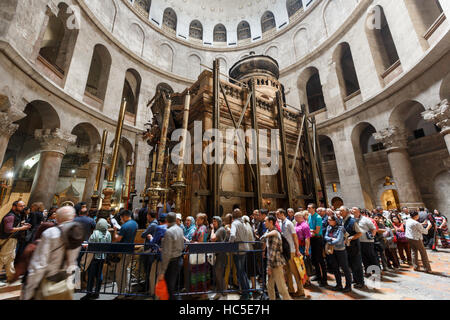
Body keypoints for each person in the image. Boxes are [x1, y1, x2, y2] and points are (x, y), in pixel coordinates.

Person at [22, 206, 82, 300]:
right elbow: (74, 262)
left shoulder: (51, 233)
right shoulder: (77, 234)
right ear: (73, 217)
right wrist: (76, 285)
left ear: (57, 218)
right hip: (66, 284)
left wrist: (29, 291)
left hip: (49, 284)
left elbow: (39, 264)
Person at [260, 215, 292, 300]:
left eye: (265, 221)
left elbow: (272, 252)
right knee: (269, 286)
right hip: (271, 263)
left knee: (281, 288)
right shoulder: (269, 231)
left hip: (276, 263)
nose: (264, 223)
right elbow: (262, 240)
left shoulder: (274, 234)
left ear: (271, 222)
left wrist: (269, 267)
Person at [81, 218, 111, 300]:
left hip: (93, 258)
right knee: (99, 275)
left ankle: (89, 293)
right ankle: (97, 292)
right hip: (102, 257)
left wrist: (85, 245)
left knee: (91, 276)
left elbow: (90, 246)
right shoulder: (108, 234)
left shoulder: (95, 233)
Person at [0, 201, 30, 283]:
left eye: (24, 206)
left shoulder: (17, 216)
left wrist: (21, 225)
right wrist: (22, 228)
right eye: (21, 206)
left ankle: (11, 278)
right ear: (14, 206)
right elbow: (8, 229)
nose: (23, 207)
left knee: (10, 259)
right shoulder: (10, 216)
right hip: (8, 240)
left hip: (12, 241)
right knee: (2, 260)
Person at [277, 208, 305, 297]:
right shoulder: (281, 223)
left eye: (278, 214)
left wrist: (297, 250)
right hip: (285, 251)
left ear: (282, 213)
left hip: (291, 250)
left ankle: (301, 290)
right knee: (287, 271)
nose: (277, 215)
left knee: (295, 271)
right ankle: (291, 289)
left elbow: (295, 237)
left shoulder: (289, 223)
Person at [158, 212, 185, 300]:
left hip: (171, 262)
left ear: (166, 220)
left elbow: (167, 253)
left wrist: (162, 271)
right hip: (179, 259)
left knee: (170, 287)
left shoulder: (169, 232)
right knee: (173, 286)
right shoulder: (180, 229)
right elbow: (182, 246)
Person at [112, 210, 138, 298]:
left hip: (122, 251)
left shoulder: (125, 226)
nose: (120, 219)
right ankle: (127, 290)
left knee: (120, 273)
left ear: (125, 216)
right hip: (130, 250)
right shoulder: (135, 224)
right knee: (126, 270)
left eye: (121, 217)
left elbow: (118, 239)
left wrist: (115, 231)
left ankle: (121, 294)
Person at [324, 215, 352, 293]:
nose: (328, 221)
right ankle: (339, 285)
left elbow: (339, 241)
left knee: (345, 268)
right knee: (335, 268)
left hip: (340, 250)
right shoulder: (328, 227)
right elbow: (325, 236)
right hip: (332, 250)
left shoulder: (340, 228)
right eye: (328, 220)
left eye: (330, 220)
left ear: (335, 221)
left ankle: (348, 286)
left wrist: (330, 242)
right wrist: (331, 239)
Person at [229, 209, 251, 300]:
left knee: (240, 272)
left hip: (238, 249)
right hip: (245, 248)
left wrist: (230, 242)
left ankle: (245, 294)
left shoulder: (234, 223)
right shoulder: (243, 223)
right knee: (243, 272)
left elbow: (233, 235)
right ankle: (247, 291)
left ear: (233, 216)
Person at [352, 207, 379, 274]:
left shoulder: (365, 219)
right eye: (352, 210)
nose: (352, 211)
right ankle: (368, 271)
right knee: (363, 258)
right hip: (358, 241)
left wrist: (372, 236)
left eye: (354, 210)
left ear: (358, 211)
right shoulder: (353, 220)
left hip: (367, 242)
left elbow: (373, 229)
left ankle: (376, 272)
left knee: (371, 257)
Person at [307, 203, 328, 286]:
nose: (308, 209)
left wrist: (309, 230)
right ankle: (318, 275)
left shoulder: (318, 217)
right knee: (314, 259)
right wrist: (310, 230)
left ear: (313, 209)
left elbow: (316, 230)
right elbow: (309, 227)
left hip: (318, 239)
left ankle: (324, 279)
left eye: (309, 208)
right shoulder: (309, 216)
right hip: (312, 238)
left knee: (320, 259)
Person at [189, 213, 210, 294]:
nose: (196, 220)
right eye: (196, 219)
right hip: (196, 252)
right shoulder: (198, 227)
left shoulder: (203, 228)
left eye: (198, 219)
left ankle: (202, 293)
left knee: (201, 273)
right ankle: (196, 292)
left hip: (200, 253)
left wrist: (192, 242)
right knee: (196, 273)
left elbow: (201, 241)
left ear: (202, 220)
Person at [210, 216, 229, 300]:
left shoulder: (220, 229)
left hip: (221, 255)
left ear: (219, 222)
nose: (213, 223)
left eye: (215, 221)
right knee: (218, 274)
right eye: (213, 221)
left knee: (219, 274)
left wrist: (212, 230)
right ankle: (220, 291)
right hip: (219, 254)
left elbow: (213, 238)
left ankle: (223, 292)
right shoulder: (219, 229)